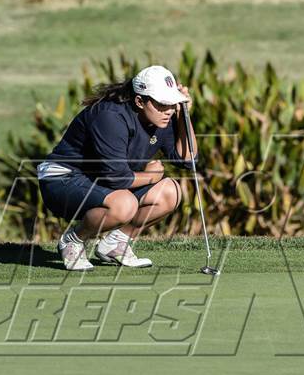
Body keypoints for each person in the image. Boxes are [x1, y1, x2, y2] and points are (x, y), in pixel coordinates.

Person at [37, 65, 198, 271]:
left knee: (170, 192)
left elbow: (187, 160)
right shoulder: (110, 116)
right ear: (140, 101)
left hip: (98, 181)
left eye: (171, 103)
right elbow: (116, 179)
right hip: (62, 179)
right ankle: (73, 241)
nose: (168, 110)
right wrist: (150, 177)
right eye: (161, 104)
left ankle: (115, 245)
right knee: (124, 205)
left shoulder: (161, 118)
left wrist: (183, 114)